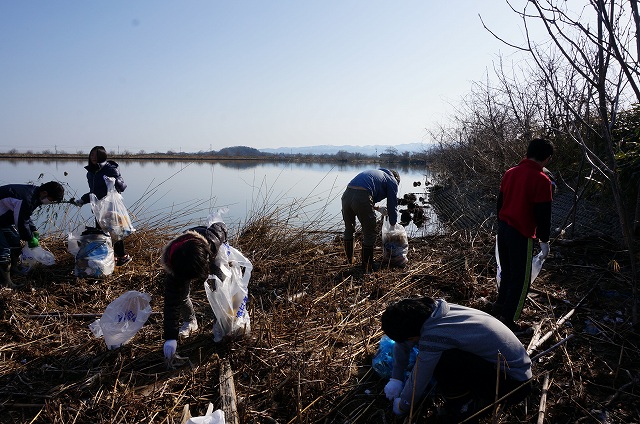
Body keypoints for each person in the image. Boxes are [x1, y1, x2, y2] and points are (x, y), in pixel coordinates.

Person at [381, 297, 532, 421]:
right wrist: (396, 379)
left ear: (411, 335)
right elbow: (403, 343)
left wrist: (403, 405)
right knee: (441, 355)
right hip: (511, 370)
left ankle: (464, 405)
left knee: (443, 362)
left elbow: (420, 376)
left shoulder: (435, 334)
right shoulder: (431, 310)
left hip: (512, 385)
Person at [493, 138, 554, 333]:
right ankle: (509, 321)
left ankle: (499, 309)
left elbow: (499, 204)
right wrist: (544, 240)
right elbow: (543, 215)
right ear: (547, 158)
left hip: (503, 230)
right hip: (521, 233)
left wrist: (503, 223)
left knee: (508, 273)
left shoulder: (510, 173)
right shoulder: (542, 180)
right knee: (521, 279)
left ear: (527, 153)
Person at [161, 221, 228, 362]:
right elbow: (171, 305)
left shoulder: (213, 241)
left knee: (220, 289)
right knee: (181, 296)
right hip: (188, 260)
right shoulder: (175, 268)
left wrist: (226, 247)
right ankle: (190, 321)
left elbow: (221, 226)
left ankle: (220, 323)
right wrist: (170, 338)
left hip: (209, 254)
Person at [73, 146, 132, 266]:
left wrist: (115, 182)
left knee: (116, 232)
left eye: (96, 154)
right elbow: (93, 192)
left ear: (102, 156)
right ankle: (109, 256)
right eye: (92, 154)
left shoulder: (110, 169)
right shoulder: (90, 172)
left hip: (111, 207)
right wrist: (83, 200)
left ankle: (123, 256)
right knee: (101, 233)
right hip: (98, 208)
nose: (93, 157)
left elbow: (123, 187)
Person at [0, 181, 65, 288]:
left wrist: (33, 229)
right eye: (51, 199)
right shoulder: (26, 198)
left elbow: (25, 215)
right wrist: (29, 238)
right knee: (3, 250)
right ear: (44, 193)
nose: (50, 202)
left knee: (14, 240)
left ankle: (14, 269)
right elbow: (20, 221)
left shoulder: (34, 196)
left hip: (2, 220)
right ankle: (5, 282)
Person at [341, 168, 400, 272]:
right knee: (369, 233)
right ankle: (367, 264)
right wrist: (393, 225)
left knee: (349, 229)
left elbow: (361, 194)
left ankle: (350, 260)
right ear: (396, 179)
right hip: (361, 196)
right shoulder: (392, 180)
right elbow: (392, 205)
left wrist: (377, 208)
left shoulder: (377, 174)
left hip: (346, 195)